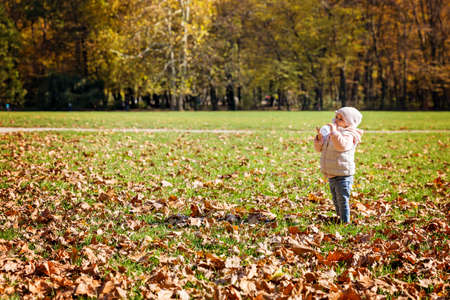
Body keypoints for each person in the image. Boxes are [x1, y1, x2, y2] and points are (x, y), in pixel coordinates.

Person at [314, 107, 363, 224]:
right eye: (336, 117)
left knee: (342, 199)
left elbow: (341, 146)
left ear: (349, 123)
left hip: (343, 174)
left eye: (341, 119)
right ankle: (339, 218)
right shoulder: (333, 133)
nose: (336, 120)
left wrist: (334, 132)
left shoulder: (349, 135)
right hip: (332, 173)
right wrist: (319, 139)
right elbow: (319, 149)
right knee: (335, 199)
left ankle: (345, 222)